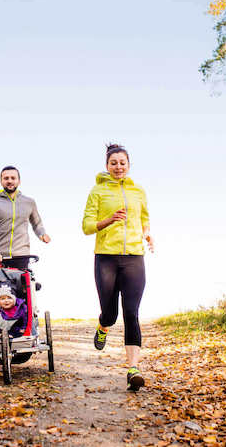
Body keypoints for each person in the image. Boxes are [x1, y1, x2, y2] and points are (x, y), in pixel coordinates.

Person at [82, 143, 154, 392]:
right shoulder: (97, 192)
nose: (118, 167)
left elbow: (144, 218)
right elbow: (87, 226)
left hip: (134, 256)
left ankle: (133, 369)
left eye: (122, 162)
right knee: (111, 313)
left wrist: (147, 235)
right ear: (106, 166)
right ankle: (103, 325)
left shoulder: (138, 191)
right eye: (114, 163)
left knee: (132, 313)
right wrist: (109, 220)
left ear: (129, 165)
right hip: (106, 257)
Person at [0, 165, 51, 271]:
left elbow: (37, 224)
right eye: (6, 178)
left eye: (13, 178)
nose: (9, 181)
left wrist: (42, 234)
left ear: (19, 181)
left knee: (27, 286)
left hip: (22, 257)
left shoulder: (29, 202)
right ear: (1, 181)